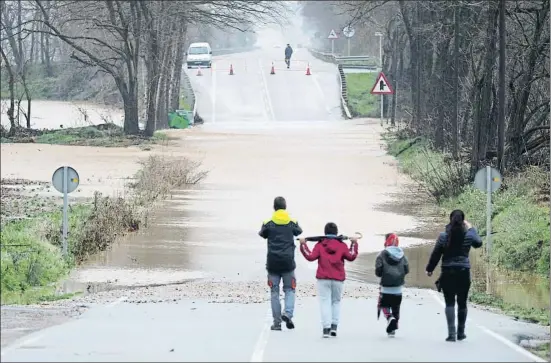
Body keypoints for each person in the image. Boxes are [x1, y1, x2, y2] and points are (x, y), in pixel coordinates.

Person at [425, 209, 483, 342]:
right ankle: (461, 332)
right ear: (463, 221)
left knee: (449, 303)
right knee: (462, 303)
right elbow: (478, 243)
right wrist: (472, 228)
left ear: (450, 220)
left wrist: (430, 269)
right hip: (463, 271)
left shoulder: (443, 236)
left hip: (447, 272)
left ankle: (451, 334)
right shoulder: (468, 235)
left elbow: (436, 254)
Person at [299, 222, 358, 338]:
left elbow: (310, 257)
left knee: (325, 302)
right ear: (336, 233)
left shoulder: (320, 245)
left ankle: (326, 329)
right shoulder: (342, 245)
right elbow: (351, 256)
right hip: (338, 278)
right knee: (336, 302)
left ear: (325, 233)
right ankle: (334, 327)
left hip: (323, 278)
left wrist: (303, 245)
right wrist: (354, 243)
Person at [259, 196, 302, 331]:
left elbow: (262, 234)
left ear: (274, 207)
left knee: (274, 292)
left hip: (272, 263)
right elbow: (299, 231)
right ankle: (288, 313)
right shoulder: (292, 222)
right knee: (290, 289)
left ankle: (277, 323)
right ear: (285, 207)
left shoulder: (268, 223)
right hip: (288, 262)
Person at [375, 233, 409, 337]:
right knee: (396, 307)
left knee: (385, 306)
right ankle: (392, 330)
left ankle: (390, 318)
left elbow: (378, 272)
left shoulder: (381, 255)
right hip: (398, 289)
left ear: (386, 242)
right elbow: (406, 270)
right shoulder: (402, 255)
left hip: (386, 288)